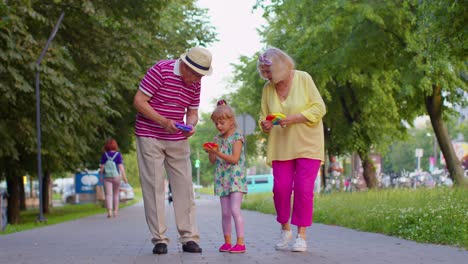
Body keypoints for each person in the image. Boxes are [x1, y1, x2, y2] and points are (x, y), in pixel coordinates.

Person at [133, 46, 212, 254]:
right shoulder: (161, 70)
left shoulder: (196, 82)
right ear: (185, 65)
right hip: (149, 135)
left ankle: (189, 238)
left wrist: (192, 125)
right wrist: (163, 121)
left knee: (184, 187)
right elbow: (139, 101)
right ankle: (159, 239)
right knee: (154, 187)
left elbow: (192, 111)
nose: (197, 80)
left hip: (177, 137)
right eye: (195, 74)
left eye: (201, 76)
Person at [257, 47, 326, 252]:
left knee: (304, 189)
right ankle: (285, 228)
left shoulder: (304, 79)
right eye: (264, 72)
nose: (266, 76)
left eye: (269, 72)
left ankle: (301, 235)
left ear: (280, 68)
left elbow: (319, 108)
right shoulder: (267, 89)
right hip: (281, 146)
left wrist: (292, 119)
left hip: (308, 143)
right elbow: (263, 114)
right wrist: (265, 124)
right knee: (281, 189)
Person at [204, 99, 248, 254]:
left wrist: (218, 152)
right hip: (222, 179)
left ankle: (240, 243)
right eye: (216, 123)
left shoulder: (237, 137)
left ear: (231, 121)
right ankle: (227, 242)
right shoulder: (217, 139)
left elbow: (234, 159)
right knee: (225, 213)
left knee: (235, 210)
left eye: (221, 122)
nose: (218, 126)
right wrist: (211, 152)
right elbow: (212, 161)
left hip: (235, 179)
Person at [98, 138, 128, 218]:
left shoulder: (104, 155)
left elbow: (102, 168)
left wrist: (100, 175)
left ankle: (109, 211)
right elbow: (121, 167)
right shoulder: (118, 155)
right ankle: (115, 211)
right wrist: (125, 178)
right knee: (116, 194)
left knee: (108, 195)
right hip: (116, 177)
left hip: (107, 177)